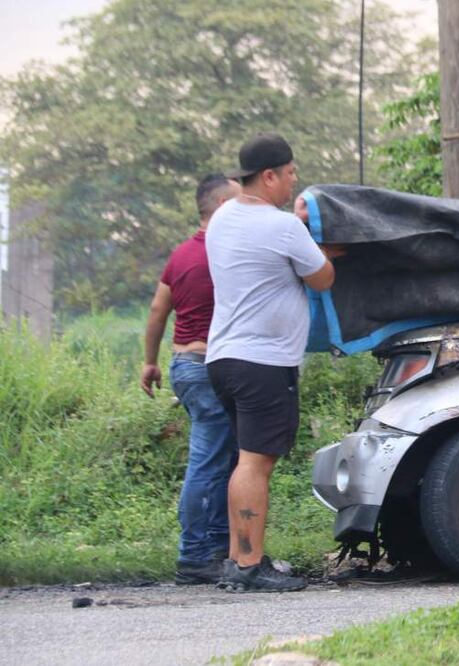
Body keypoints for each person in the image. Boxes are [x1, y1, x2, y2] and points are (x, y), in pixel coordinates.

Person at [205, 133, 340, 592]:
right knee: (255, 464)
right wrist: (316, 246)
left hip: (223, 358)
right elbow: (322, 278)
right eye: (289, 174)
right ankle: (249, 565)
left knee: (246, 460)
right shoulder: (283, 228)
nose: (293, 181)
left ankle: (237, 559)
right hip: (262, 362)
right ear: (268, 176)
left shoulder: (223, 217)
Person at [141, 173, 242, 585]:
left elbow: (157, 311)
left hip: (184, 364)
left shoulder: (181, 254)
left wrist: (150, 362)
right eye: (240, 202)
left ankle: (216, 547)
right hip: (207, 366)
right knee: (209, 461)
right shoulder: (223, 254)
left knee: (225, 458)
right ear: (222, 207)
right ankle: (195, 555)